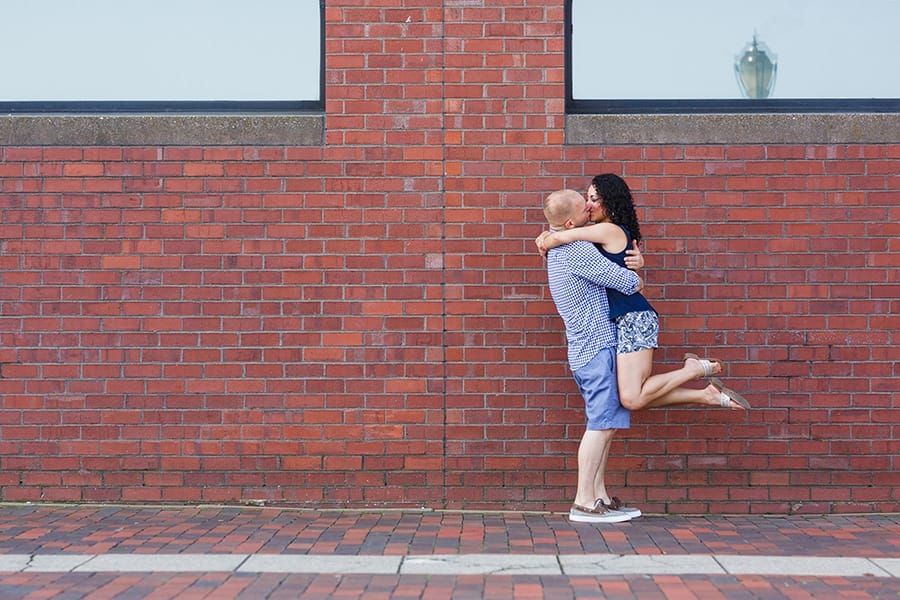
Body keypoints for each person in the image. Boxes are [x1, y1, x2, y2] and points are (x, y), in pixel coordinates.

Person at [537, 174, 750, 415]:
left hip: (633, 318)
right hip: (625, 317)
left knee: (631, 398)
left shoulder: (607, 229)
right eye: (587, 198)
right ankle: (706, 396)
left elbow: (569, 235)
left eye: (594, 198)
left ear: (610, 201)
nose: (588, 204)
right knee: (630, 398)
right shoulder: (597, 233)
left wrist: (549, 238)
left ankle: (693, 370)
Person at [541, 188, 645, 523]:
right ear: (571, 222)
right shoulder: (576, 250)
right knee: (600, 425)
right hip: (594, 346)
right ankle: (584, 501)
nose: (590, 206)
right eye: (584, 206)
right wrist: (636, 274)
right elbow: (624, 281)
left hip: (591, 346)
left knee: (606, 425)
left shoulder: (565, 243)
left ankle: (599, 495)